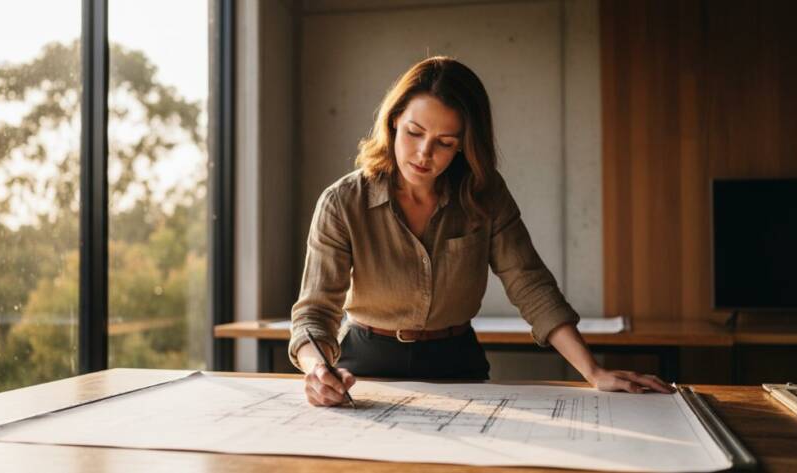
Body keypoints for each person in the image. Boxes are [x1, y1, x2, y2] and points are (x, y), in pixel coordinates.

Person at [289, 56, 674, 406]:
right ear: (393, 122)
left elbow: (531, 285)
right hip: (365, 368)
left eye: (445, 142)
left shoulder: (484, 195)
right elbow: (315, 313)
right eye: (414, 132)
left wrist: (594, 372)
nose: (424, 153)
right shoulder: (342, 202)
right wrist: (317, 370)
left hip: (457, 364)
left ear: (464, 146)